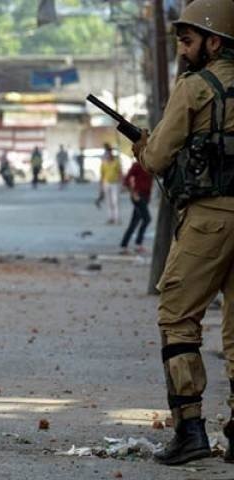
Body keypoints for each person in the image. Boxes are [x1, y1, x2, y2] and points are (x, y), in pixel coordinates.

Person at [132, 0, 234, 465]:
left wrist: (142, 144)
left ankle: (190, 431)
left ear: (215, 42)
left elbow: (156, 158)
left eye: (189, 40)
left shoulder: (195, 88)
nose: (182, 49)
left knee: (177, 316)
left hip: (210, 218)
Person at [119, 161, 152, 255]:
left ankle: (126, 245)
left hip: (145, 197)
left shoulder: (150, 164)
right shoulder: (138, 165)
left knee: (135, 221)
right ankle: (135, 243)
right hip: (138, 196)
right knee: (147, 219)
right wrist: (133, 193)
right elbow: (126, 179)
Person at [99, 143, 122, 224]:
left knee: (115, 201)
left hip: (115, 183)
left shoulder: (116, 162)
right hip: (106, 183)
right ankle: (110, 218)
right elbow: (102, 174)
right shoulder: (104, 163)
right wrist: (101, 186)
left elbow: (120, 173)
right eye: (107, 155)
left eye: (109, 154)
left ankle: (117, 218)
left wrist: (121, 183)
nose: (108, 156)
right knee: (108, 201)